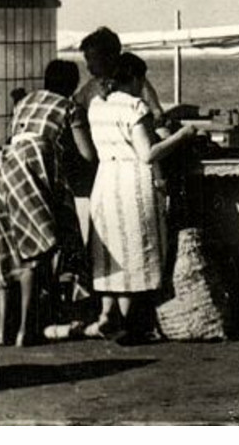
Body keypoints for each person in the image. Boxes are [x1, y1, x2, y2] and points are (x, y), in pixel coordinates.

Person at [78, 50, 193, 345]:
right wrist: (182, 137)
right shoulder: (134, 106)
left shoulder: (96, 106)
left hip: (105, 183)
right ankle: (130, 324)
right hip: (132, 185)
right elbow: (147, 153)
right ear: (135, 78)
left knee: (110, 255)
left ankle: (110, 316)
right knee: (135, 253)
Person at [0, 59, 88, 346]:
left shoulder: (26, 101)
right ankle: (26, 330)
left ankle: (1, 330)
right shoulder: (70, 108)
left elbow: (17, 136)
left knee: (9, 248)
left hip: (2, 168)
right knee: (35, 250)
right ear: (72, 86)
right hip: (31, 170)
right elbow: (87, 154)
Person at [77, 27, 165, 124]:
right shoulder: (89, 90)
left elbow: (157, 113)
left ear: (110, 57)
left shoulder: (136, 82)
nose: (88, 66)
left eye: (92, 59)